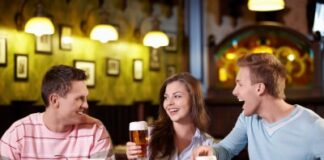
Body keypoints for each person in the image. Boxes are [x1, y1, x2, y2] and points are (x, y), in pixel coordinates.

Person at [191, 53, 324, 160]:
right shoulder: (248, 119)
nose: (234, 91)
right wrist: (211, 151)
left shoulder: (315, 127)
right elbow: (227, 149)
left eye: (240, 84)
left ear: (259, 88)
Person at [0, 65, 115, 159]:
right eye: (79, 98)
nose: (86, 105)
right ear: (55, 100)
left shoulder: (95, 130)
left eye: (85, 98)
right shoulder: (18, 134)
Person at [126, 72, 217, 159]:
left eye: (177, 96)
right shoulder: (149, 135)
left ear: (194, 100)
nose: (169, 103)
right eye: (166, 97)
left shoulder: (208, 144)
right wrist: (132, 157)